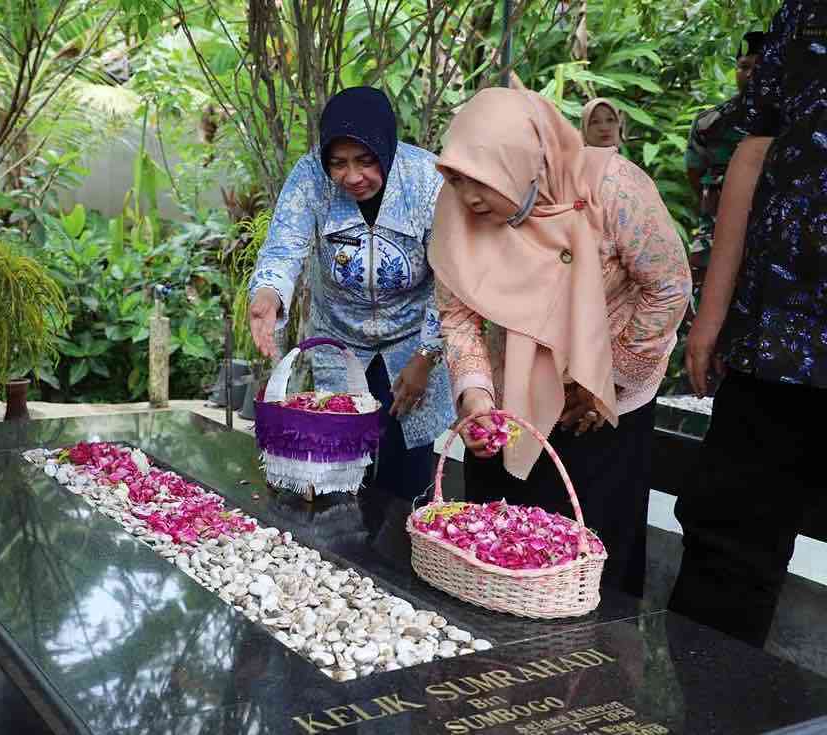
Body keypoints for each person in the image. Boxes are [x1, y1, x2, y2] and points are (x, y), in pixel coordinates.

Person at [429, 88, 691, 597]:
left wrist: (606, 380)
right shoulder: (460, 209)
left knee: (592, 566)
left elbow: (668, 287)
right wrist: (477, 398)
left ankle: (592, 675)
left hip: (602, 411)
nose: (467, 199)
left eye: (480, 182)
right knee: (495, 556)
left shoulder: (611, 191)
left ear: (523, 162)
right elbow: (457, 313)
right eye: (456, 181)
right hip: (512, 409)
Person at [668, 0, 827, 648]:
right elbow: (755, 148)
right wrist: (710, 317)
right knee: (724, 551)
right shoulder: (806, 13)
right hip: (779, 338)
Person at [248, 86, 455, 501]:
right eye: (338, 164)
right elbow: (284, 245)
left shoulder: (427, 180)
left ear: (386, 149)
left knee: (407, 465)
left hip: (415, 337)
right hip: (340, 337)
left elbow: (449, 280)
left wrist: (425, 357)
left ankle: (398, 552)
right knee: (338, 464)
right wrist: (268, 293)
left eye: (365, 160)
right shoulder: (309, 179)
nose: (352, 176)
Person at [684, 31, 765, 290]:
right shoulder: (711, 122)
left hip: (769, 236)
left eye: (760, 66)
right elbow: (695, 175)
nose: (751, 73)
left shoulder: (792, 121)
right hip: (715, 236)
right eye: (744, 66)